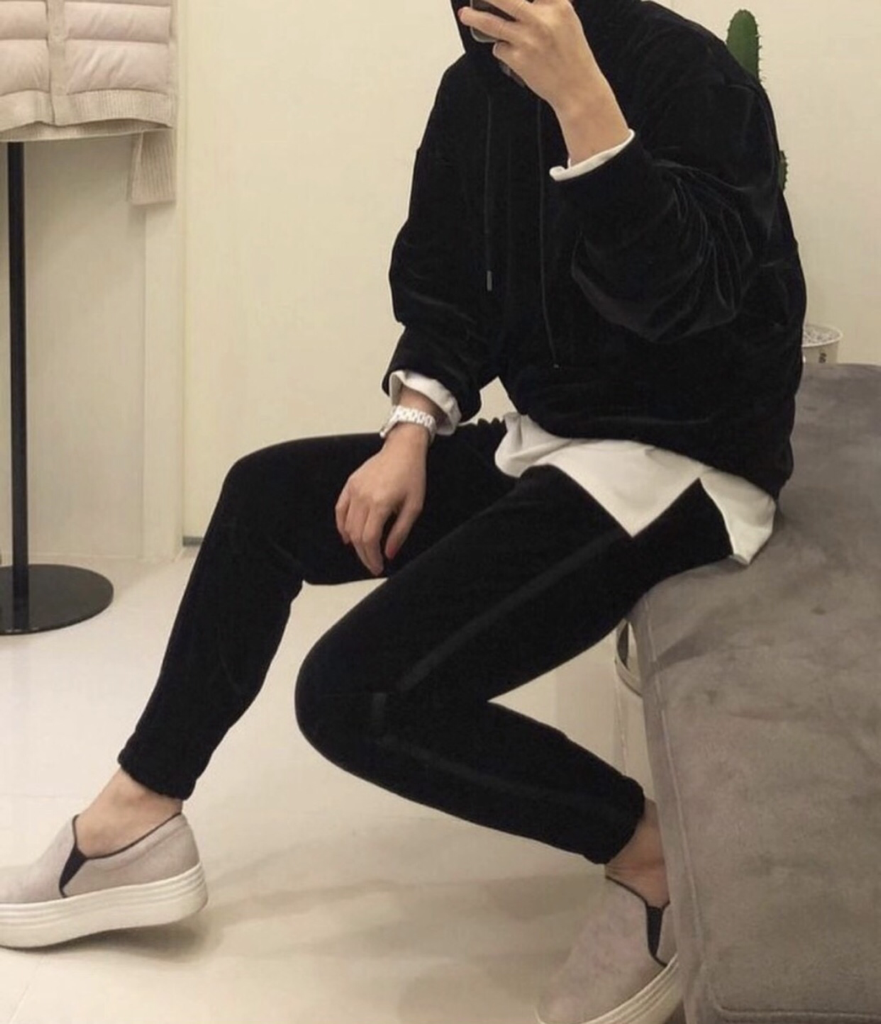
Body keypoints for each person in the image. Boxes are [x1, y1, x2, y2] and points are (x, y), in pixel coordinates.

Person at [0, 1, 806, 1022]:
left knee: (355, 694)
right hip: (550, 440)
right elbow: (446, 288)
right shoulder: (473, 88)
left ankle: (648, 854)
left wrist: (583, 102)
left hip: (684, 460)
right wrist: (411, 430)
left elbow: (686, 304)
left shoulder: (688, 75)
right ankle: (138, 815)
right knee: (264, 497)